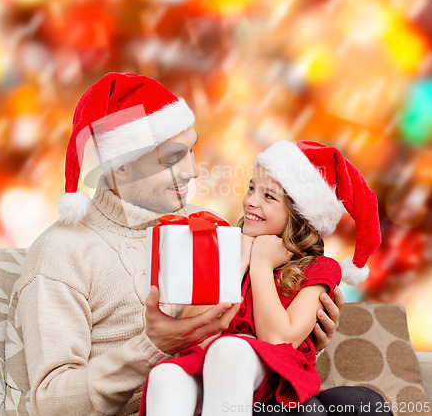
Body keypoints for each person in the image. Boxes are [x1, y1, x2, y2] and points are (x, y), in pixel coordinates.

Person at [18, 73, 385, 416]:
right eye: (173, 158)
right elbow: (51, 402)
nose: (193, 171)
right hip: (171, 396)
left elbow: (255, 338)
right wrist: (154, 346)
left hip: (234, 390)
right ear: (121, 167)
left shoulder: (211, 226)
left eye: (192, 151)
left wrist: (309, 337)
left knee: (361, 403)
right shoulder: (61, 252)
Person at [141, 140, 390, 416]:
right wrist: (236, 265)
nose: (250, 201)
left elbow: (277, 340)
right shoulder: (224, 247)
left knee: (229, 349)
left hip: (270, 377)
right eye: (251, 188)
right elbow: (194, 337)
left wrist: (260, 263)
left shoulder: (320, 268)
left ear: (299, 215)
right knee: (166, 376)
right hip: (209, 369)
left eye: (268, 196)